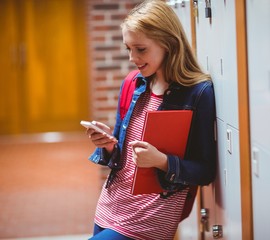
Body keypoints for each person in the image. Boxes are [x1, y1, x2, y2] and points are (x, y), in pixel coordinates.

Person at [85, 0, 216, 239]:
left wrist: (162, 161)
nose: (132, 57)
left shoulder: (198, 93)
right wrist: (108, 145)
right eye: (128, 49)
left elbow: (205, 170)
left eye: (141, 49)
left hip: (150, 218)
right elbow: (122, 154)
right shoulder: (132, 83)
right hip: (110, 205)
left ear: (168, 43)